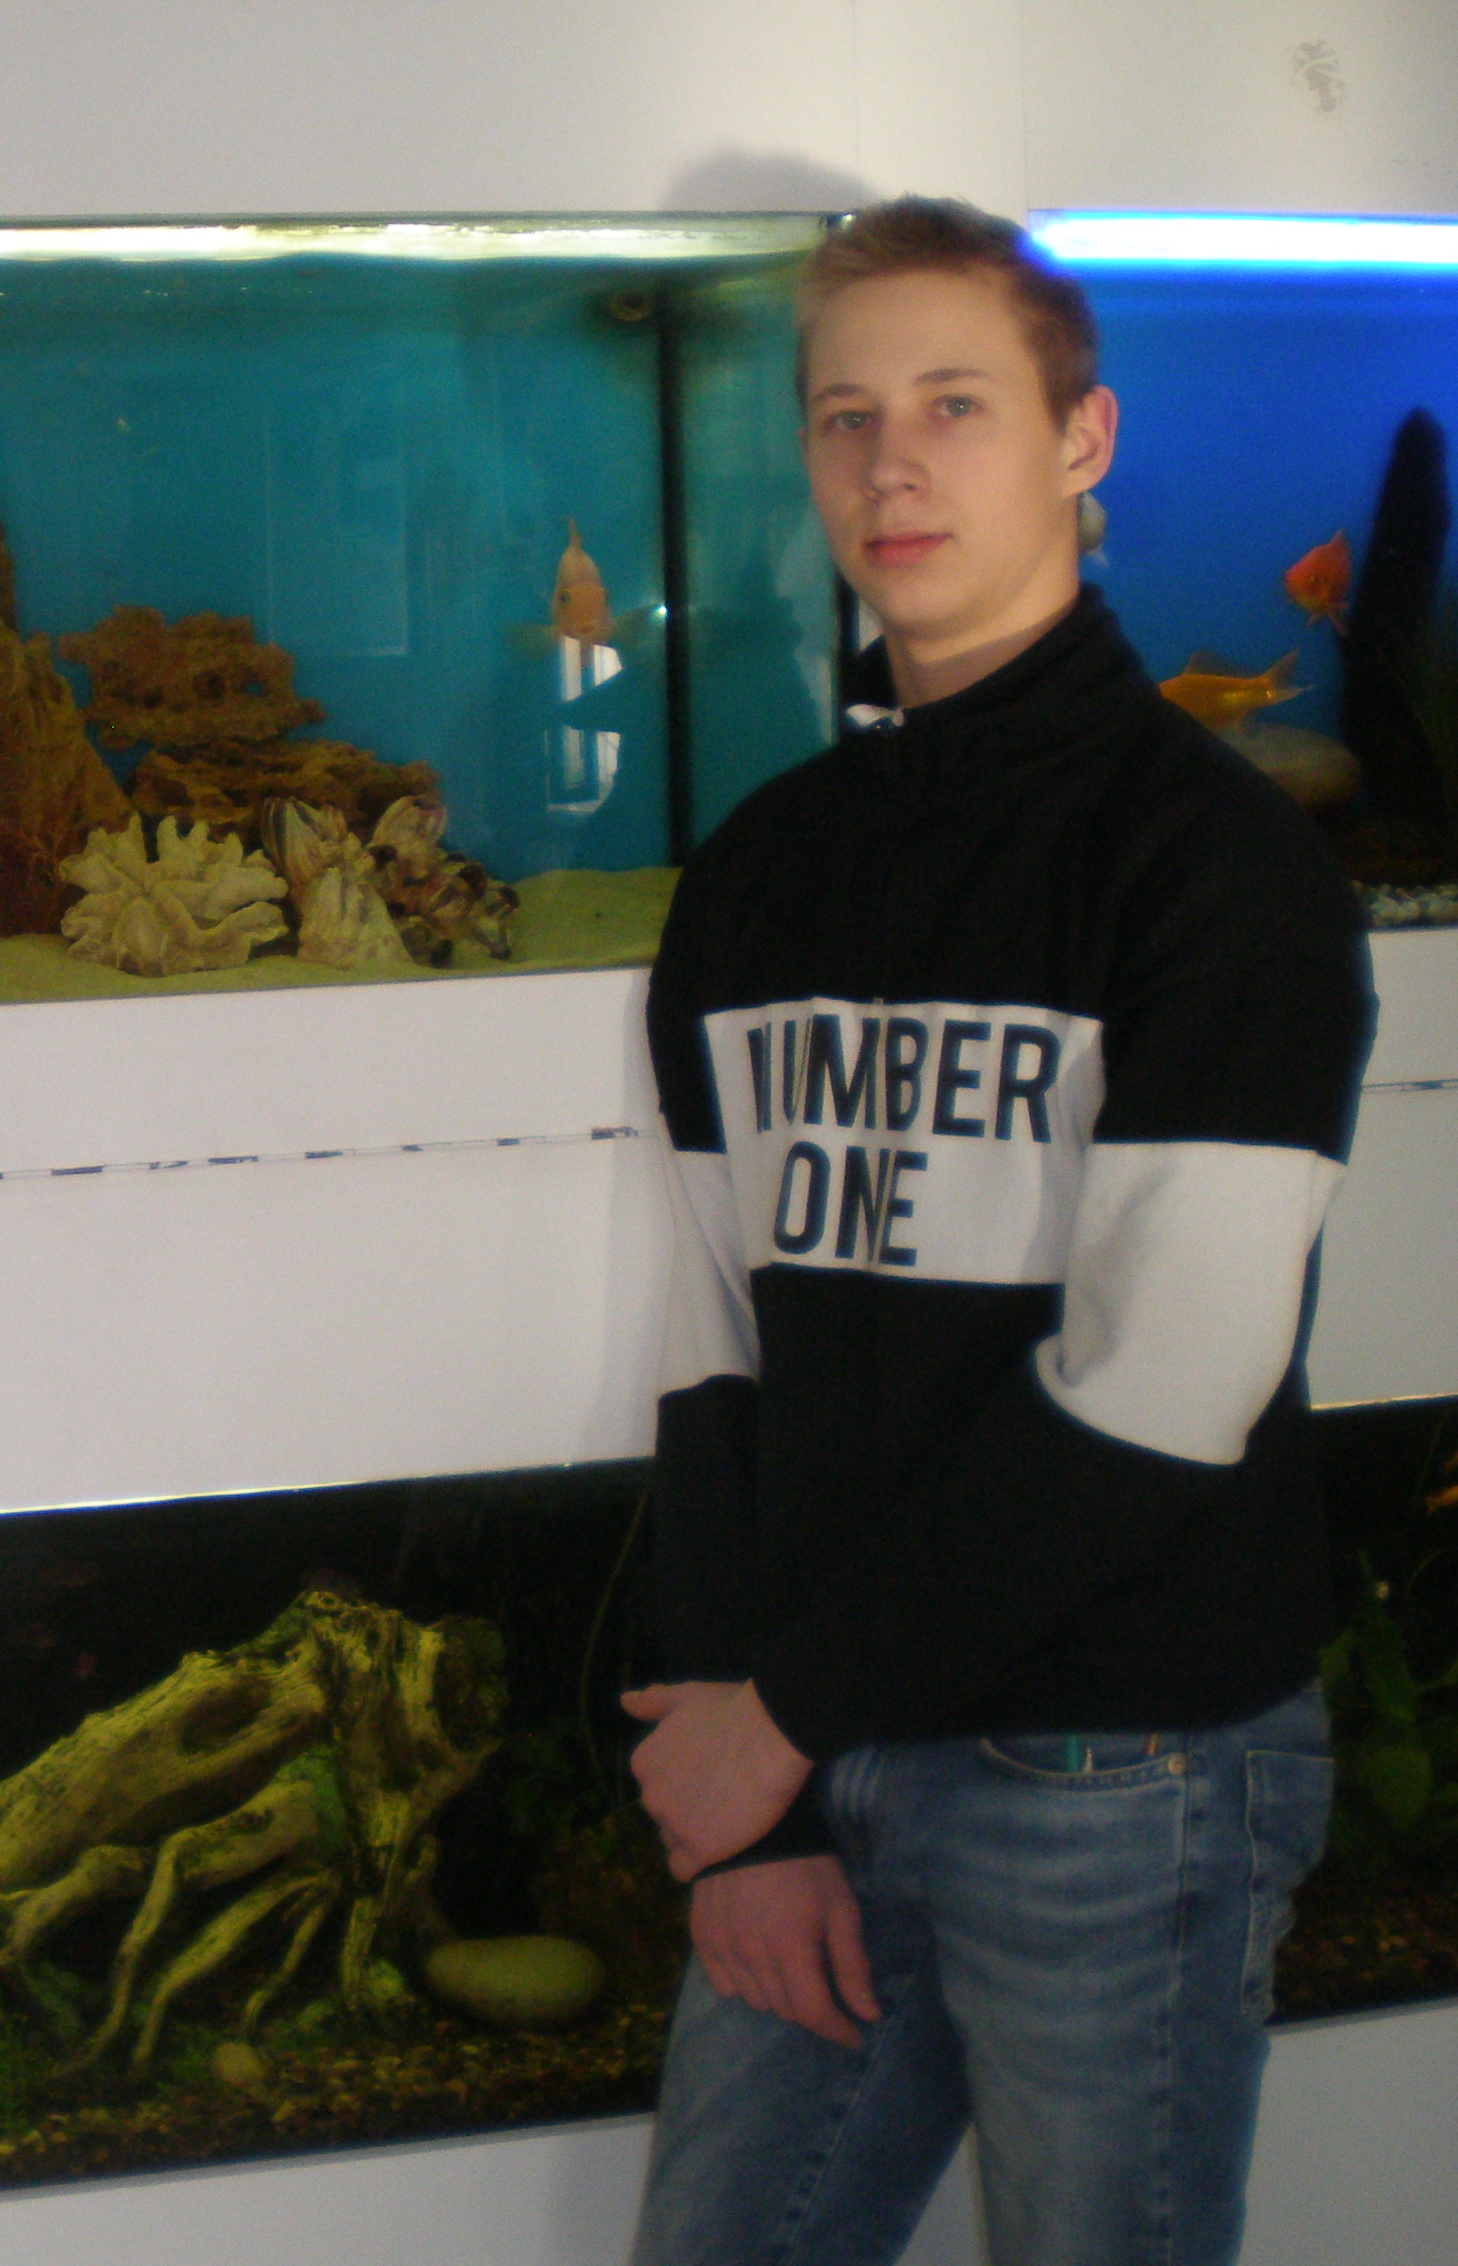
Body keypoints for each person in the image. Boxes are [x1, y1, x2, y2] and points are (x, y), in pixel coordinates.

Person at [620, 198, 1371, 2266]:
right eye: (846, 416)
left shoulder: (1218, 868)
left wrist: (782, 1714)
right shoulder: (757, 874)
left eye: (956, 405)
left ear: (1082, 439)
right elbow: (714, 1346)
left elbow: (1167, 1387)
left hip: (1122, 1769)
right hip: (820, 1753)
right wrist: (755, 1801)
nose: (894, 465)